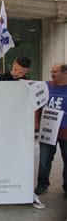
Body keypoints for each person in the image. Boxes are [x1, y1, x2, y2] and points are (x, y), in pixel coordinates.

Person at [34, 64, 67, 196]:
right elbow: (38, 105)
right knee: (44, 159)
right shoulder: (46, 86)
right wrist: (36, 122)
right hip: (48, 130)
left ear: (65, 73)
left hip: (66, 132)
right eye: (51, 71)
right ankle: (42, 185)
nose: (52, 74)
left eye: (55, 72)